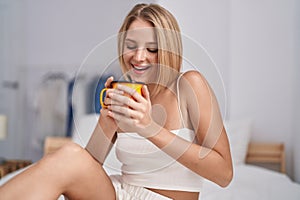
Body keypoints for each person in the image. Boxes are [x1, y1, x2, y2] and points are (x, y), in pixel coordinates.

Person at [0, 3, 233, 200]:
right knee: (69, 154)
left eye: (151, 48)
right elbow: (85, 166)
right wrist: (107, 122)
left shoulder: (190, 85)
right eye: (131, 46)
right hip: (119, 191)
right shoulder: (128, 92)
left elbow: (224, 174)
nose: (139, 56)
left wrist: (149, 128)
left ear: (168, 49)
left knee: (69, 155)